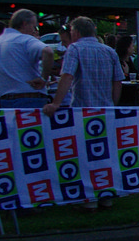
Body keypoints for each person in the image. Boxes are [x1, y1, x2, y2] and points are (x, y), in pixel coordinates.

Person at [42, 16, 125, 210]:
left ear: (76, 32)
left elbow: (67, 76)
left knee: (84, 155)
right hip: (105, 110)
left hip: (82, 111)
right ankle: (106, 196)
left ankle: (89, 200)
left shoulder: (75, 49)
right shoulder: (109, 51)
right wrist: (113, 104)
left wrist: (56, 103)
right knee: (104, 155)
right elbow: (117, 81)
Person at [0, 8, 55, 108]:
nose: (34, 30)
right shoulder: (25, 40)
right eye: (34, 27)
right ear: (24, 24)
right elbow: (48, 52)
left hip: (5, 100)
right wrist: (44, 79)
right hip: (30, 98)